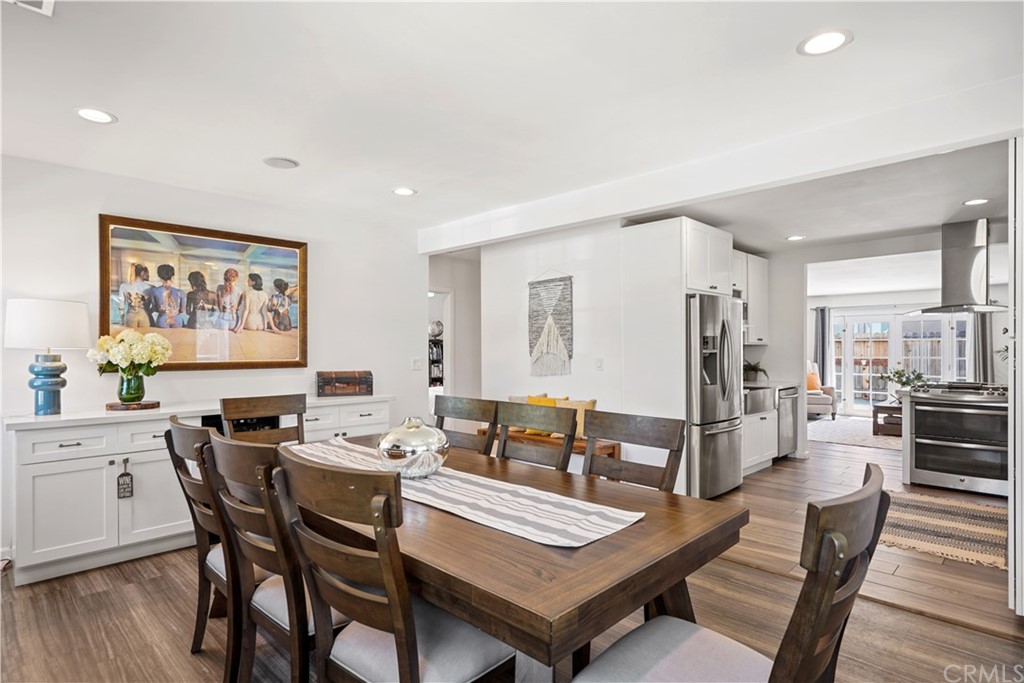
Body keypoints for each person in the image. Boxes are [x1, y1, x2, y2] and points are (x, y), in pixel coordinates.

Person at [119, 264, 152, 328]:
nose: (149, 275)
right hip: (144, 316)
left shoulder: (123, 286)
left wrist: (122, 319)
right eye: (147, 273)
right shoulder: (150, 288)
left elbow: (121, 305)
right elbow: (154, 305)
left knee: (130, 337)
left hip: (130, 316)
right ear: (142, 273)